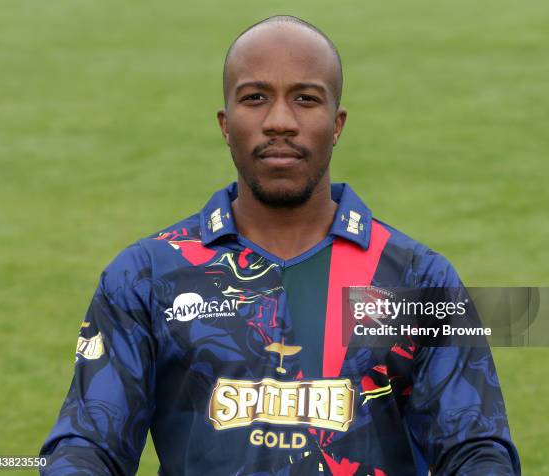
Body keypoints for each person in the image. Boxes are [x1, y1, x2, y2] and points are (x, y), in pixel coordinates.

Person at [40, 15, 521, 475]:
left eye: (306, 99)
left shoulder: (418, 279)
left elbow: (474, 446)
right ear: (225, 123)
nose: (280, 121)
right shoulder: (147, 275)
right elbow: (89, 443)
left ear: (338, 124)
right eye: (255, 98)